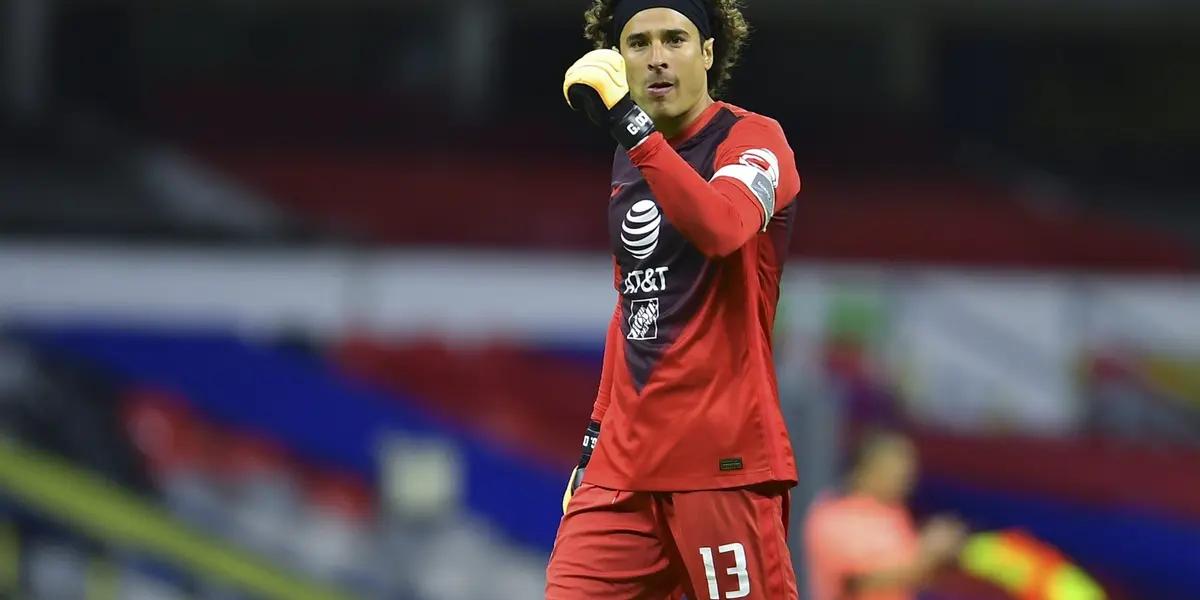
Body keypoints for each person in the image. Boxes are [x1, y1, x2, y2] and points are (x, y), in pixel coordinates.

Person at [545, 0, 803, 597]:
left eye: (675, 39)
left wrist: (631, 127)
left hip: (721, 464)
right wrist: (591, 444)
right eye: (638, 44)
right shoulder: (631, 158)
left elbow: (722, 228)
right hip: (622, 472)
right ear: (618, 60)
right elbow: (632, 307)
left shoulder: (753, 139)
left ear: (708, 53)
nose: (657, 58)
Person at [803, 430, 968, 600]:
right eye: (895, 469)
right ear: (867, 468)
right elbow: (862, 581)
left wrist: (944, 554)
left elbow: (913, 575)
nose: (905, 479)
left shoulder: (895, 514)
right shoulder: (833, 515)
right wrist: (928, 551)